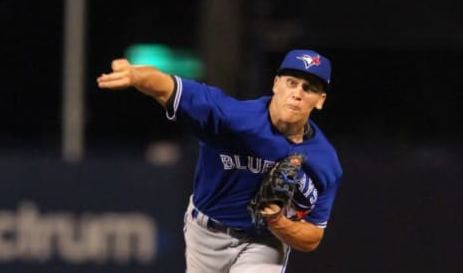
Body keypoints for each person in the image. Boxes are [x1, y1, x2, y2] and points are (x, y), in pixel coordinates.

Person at [97, 49, 343, 273]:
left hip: (262, 241)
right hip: (205, 233)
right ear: (276, 84)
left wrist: (277, 222)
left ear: (320, 100)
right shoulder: (232, 119)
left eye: (308, 88)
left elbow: (313, 236)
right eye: (292, 82)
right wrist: (136, 76)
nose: (297, 94)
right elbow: (168, 87)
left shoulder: (324, 162)